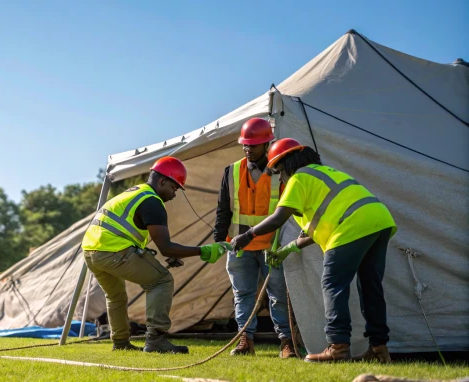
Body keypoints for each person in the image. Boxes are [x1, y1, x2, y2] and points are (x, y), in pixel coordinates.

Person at [230, 138, 397, 363]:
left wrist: (247, 235)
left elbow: (278, 218)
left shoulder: (299, 178)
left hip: (351, 226)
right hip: (380, 220)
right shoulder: (326, 174)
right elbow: (311, 233)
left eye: (280, 171)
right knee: (370, 287)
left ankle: (338, 347)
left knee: (332, 284)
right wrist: (287, 249)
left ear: (289, 164)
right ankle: (379, 348)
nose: (281, 178)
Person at [82, 157, 232, 354]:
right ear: (162, 181)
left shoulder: (136, 192)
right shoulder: (152, 202)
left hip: (91, 252)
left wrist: (169, 252)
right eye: (174, 188)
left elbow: (133, 233)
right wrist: (202, 251)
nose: (174, 194)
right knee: (161, 281)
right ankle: (156, 340)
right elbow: (166, 248)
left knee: (116, 296)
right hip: (113, 251)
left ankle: (120, 343)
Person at [215, 118, 294, 358]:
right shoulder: (231, 171)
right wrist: (219, 240)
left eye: (253, 145)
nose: (248, 149)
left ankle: (286, 342)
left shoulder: (280, 171)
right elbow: (223, 210)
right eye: (245, 145)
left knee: (279, 295)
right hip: (239, 246)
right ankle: (244, 340)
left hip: (272, 247)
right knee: (242, 295)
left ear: (267, 144)